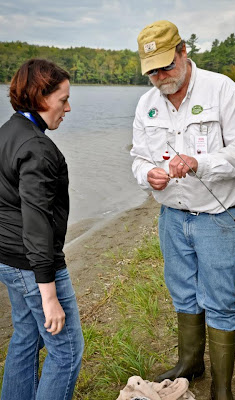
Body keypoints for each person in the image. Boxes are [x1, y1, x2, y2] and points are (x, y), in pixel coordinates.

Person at [131, 20, 235, 400]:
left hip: (219, 218)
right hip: (172, 217)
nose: (160, 76)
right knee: (182, 294)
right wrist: (148, 175)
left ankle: (222, 389)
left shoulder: (222, 89)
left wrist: (200, 163)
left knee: (220, 300)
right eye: (151, 70)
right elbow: (138, 158)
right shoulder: (147, 104)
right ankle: (191, 363)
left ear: (184, 52)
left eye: (166, 66)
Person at [0, 59, 84, 399]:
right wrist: (48, 294)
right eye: (62, 99)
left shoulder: (7, 131)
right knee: (66, 351)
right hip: (33, 263)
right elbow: (36, 222)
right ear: (40, 98)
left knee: (26, 336)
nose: (68, 107)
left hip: (7, 256)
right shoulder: (36, 147)